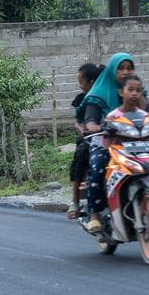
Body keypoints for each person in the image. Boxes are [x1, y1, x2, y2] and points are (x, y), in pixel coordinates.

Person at [78, 52, 149, 234]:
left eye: (129, 68)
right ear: (112, 70)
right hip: (107, 142)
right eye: (121, 68)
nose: (125, 72)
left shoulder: (136, 91)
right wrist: (93, 125)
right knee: (98, 167)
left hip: (135, 142)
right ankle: (94, 215)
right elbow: (91, 117)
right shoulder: (99, 93)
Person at [67, 62, 103, 219]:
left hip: (108, 136)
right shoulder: (82, 99)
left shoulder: (106, 95)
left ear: (91, 82)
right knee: (81, 156)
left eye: (81, 82)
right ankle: (75, 201)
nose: (80, 86)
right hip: (88, 138)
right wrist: (83, 130)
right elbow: (77, 121)